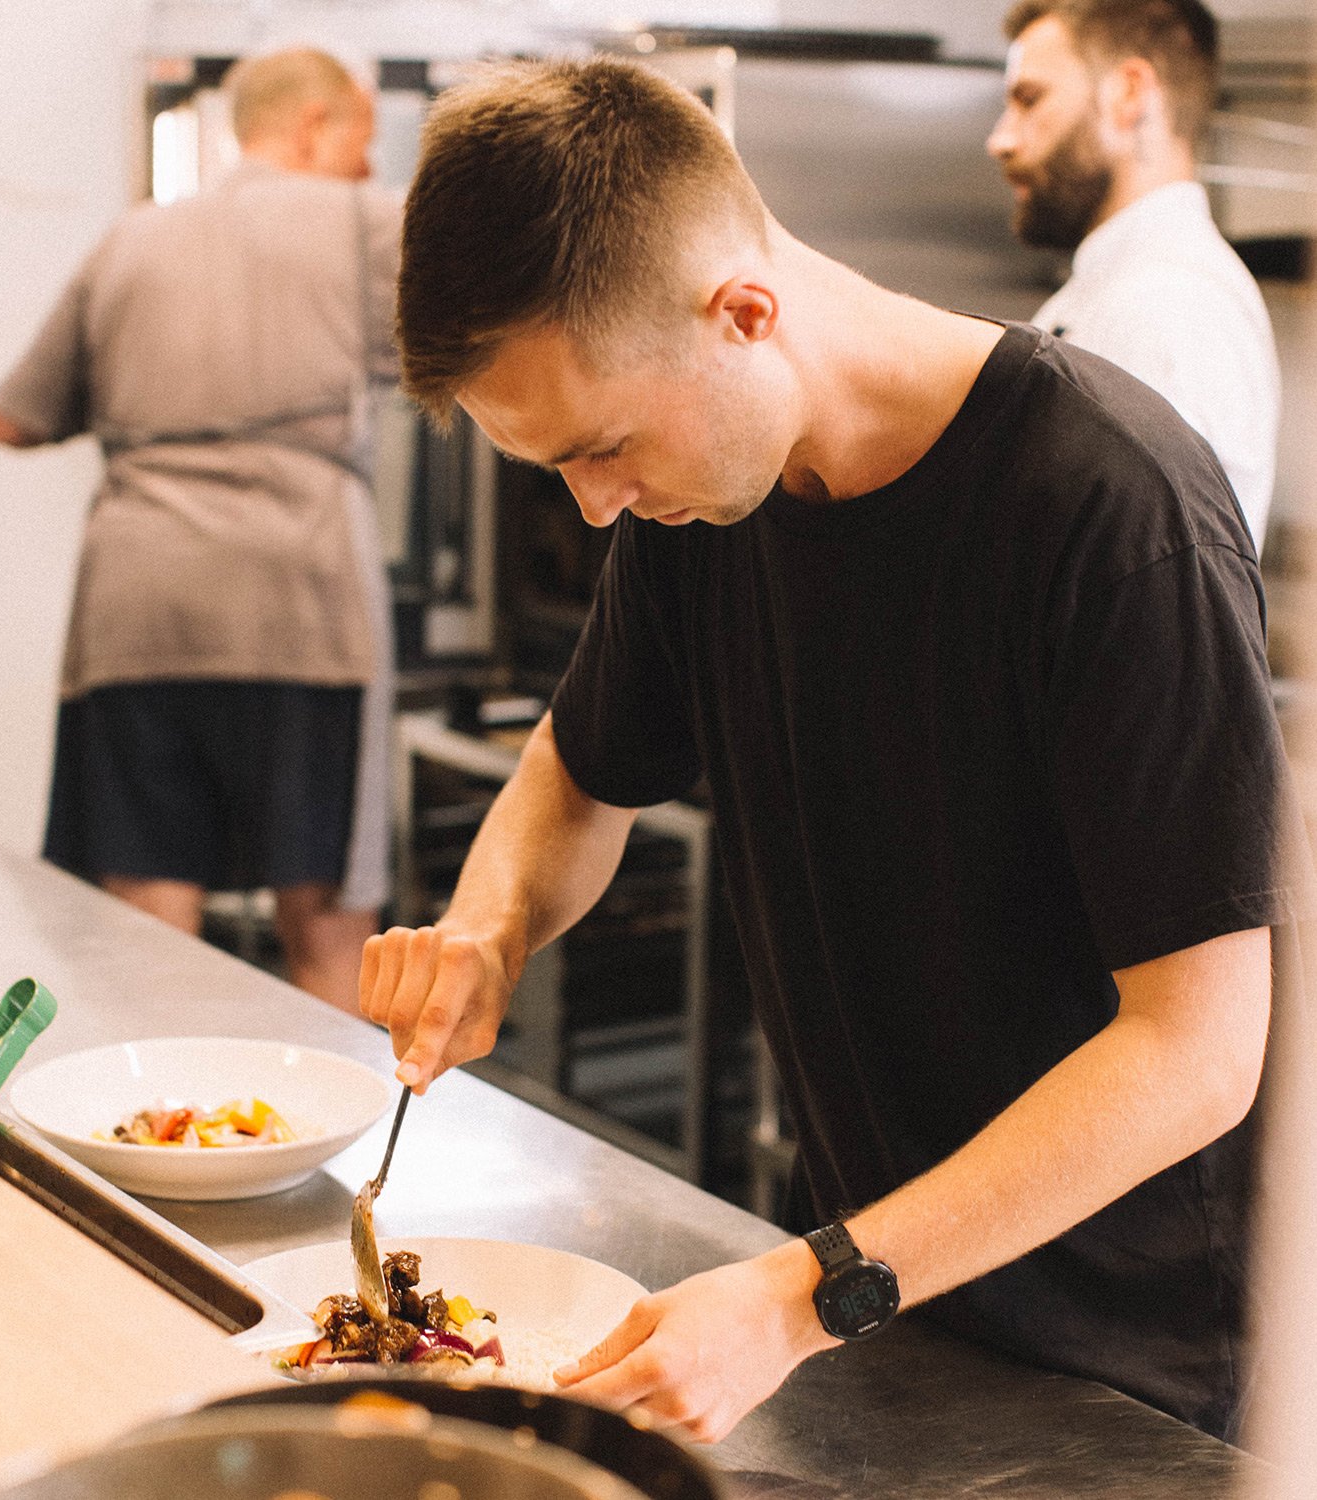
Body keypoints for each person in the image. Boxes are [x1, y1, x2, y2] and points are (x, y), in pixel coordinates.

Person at [359, 55, 1310, 1445]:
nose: (600, 503)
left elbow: (1198, 1050)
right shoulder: (707, 505)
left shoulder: (1110, 511)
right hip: (887, 1316)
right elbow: (579, 769)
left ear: (744, 313)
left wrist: (810, 1292)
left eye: (605, 447)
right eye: (558, 465)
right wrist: (488, 931)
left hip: (1141, 1378)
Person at [0, 48, 401, 1015]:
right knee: (331, 930)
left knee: (146, 923)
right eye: (360, 143)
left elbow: (12, 420)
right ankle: (333, 1156)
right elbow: (485, 356)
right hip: (303, 608)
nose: (366, 169)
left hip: (136, 611)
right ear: (311, 125)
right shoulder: (369, 225)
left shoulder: (130, 240)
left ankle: (154, 1154)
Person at [987, 0, 1281, 553]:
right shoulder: (1125, 287)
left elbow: (1125, 594)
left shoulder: (1169, 304)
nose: (1000, 139)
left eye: (1030, 99)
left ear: (1129, 94)